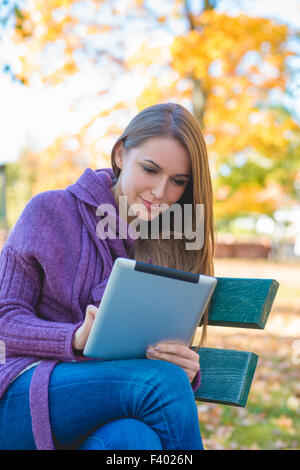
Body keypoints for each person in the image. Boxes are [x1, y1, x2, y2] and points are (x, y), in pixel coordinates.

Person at [0, 102, 215, 450]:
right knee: (160, 385)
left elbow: (153, 352)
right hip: (19, 394)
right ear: (120, 155)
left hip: (111, 406)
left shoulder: (173, 243)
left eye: (177, 181)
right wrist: (75, 337)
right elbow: (3, 318)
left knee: (134, 441)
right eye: (150, 169)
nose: (161, 192)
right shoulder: (49, 212)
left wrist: (182, 365)